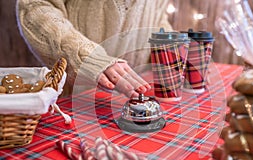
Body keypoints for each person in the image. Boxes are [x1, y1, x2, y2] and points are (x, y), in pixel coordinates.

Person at [16, 0, 173, 97]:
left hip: (128, 100)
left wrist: (173, 49)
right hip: (70, 100)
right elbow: (35, 6)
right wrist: (88, 58)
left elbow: (158, 16)